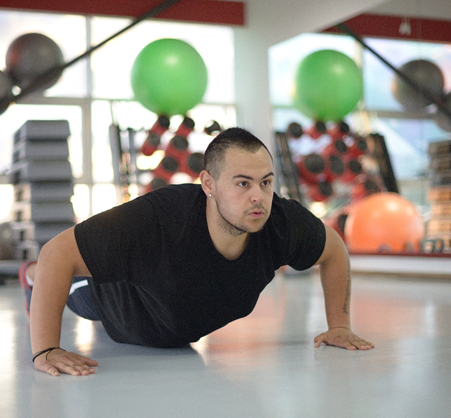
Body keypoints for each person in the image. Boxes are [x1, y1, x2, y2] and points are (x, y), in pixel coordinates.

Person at [20, 127, 374, 377]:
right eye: (242, 183)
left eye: (266, 182)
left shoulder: (281, 223)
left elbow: (334, 250)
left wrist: (339, 325)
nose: (258, 196)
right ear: (208, 184)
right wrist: (46, 349)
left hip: (177, 327)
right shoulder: (158, 217)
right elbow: (57, 253)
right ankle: (29, 277)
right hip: (121, 305)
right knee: (68, 285)